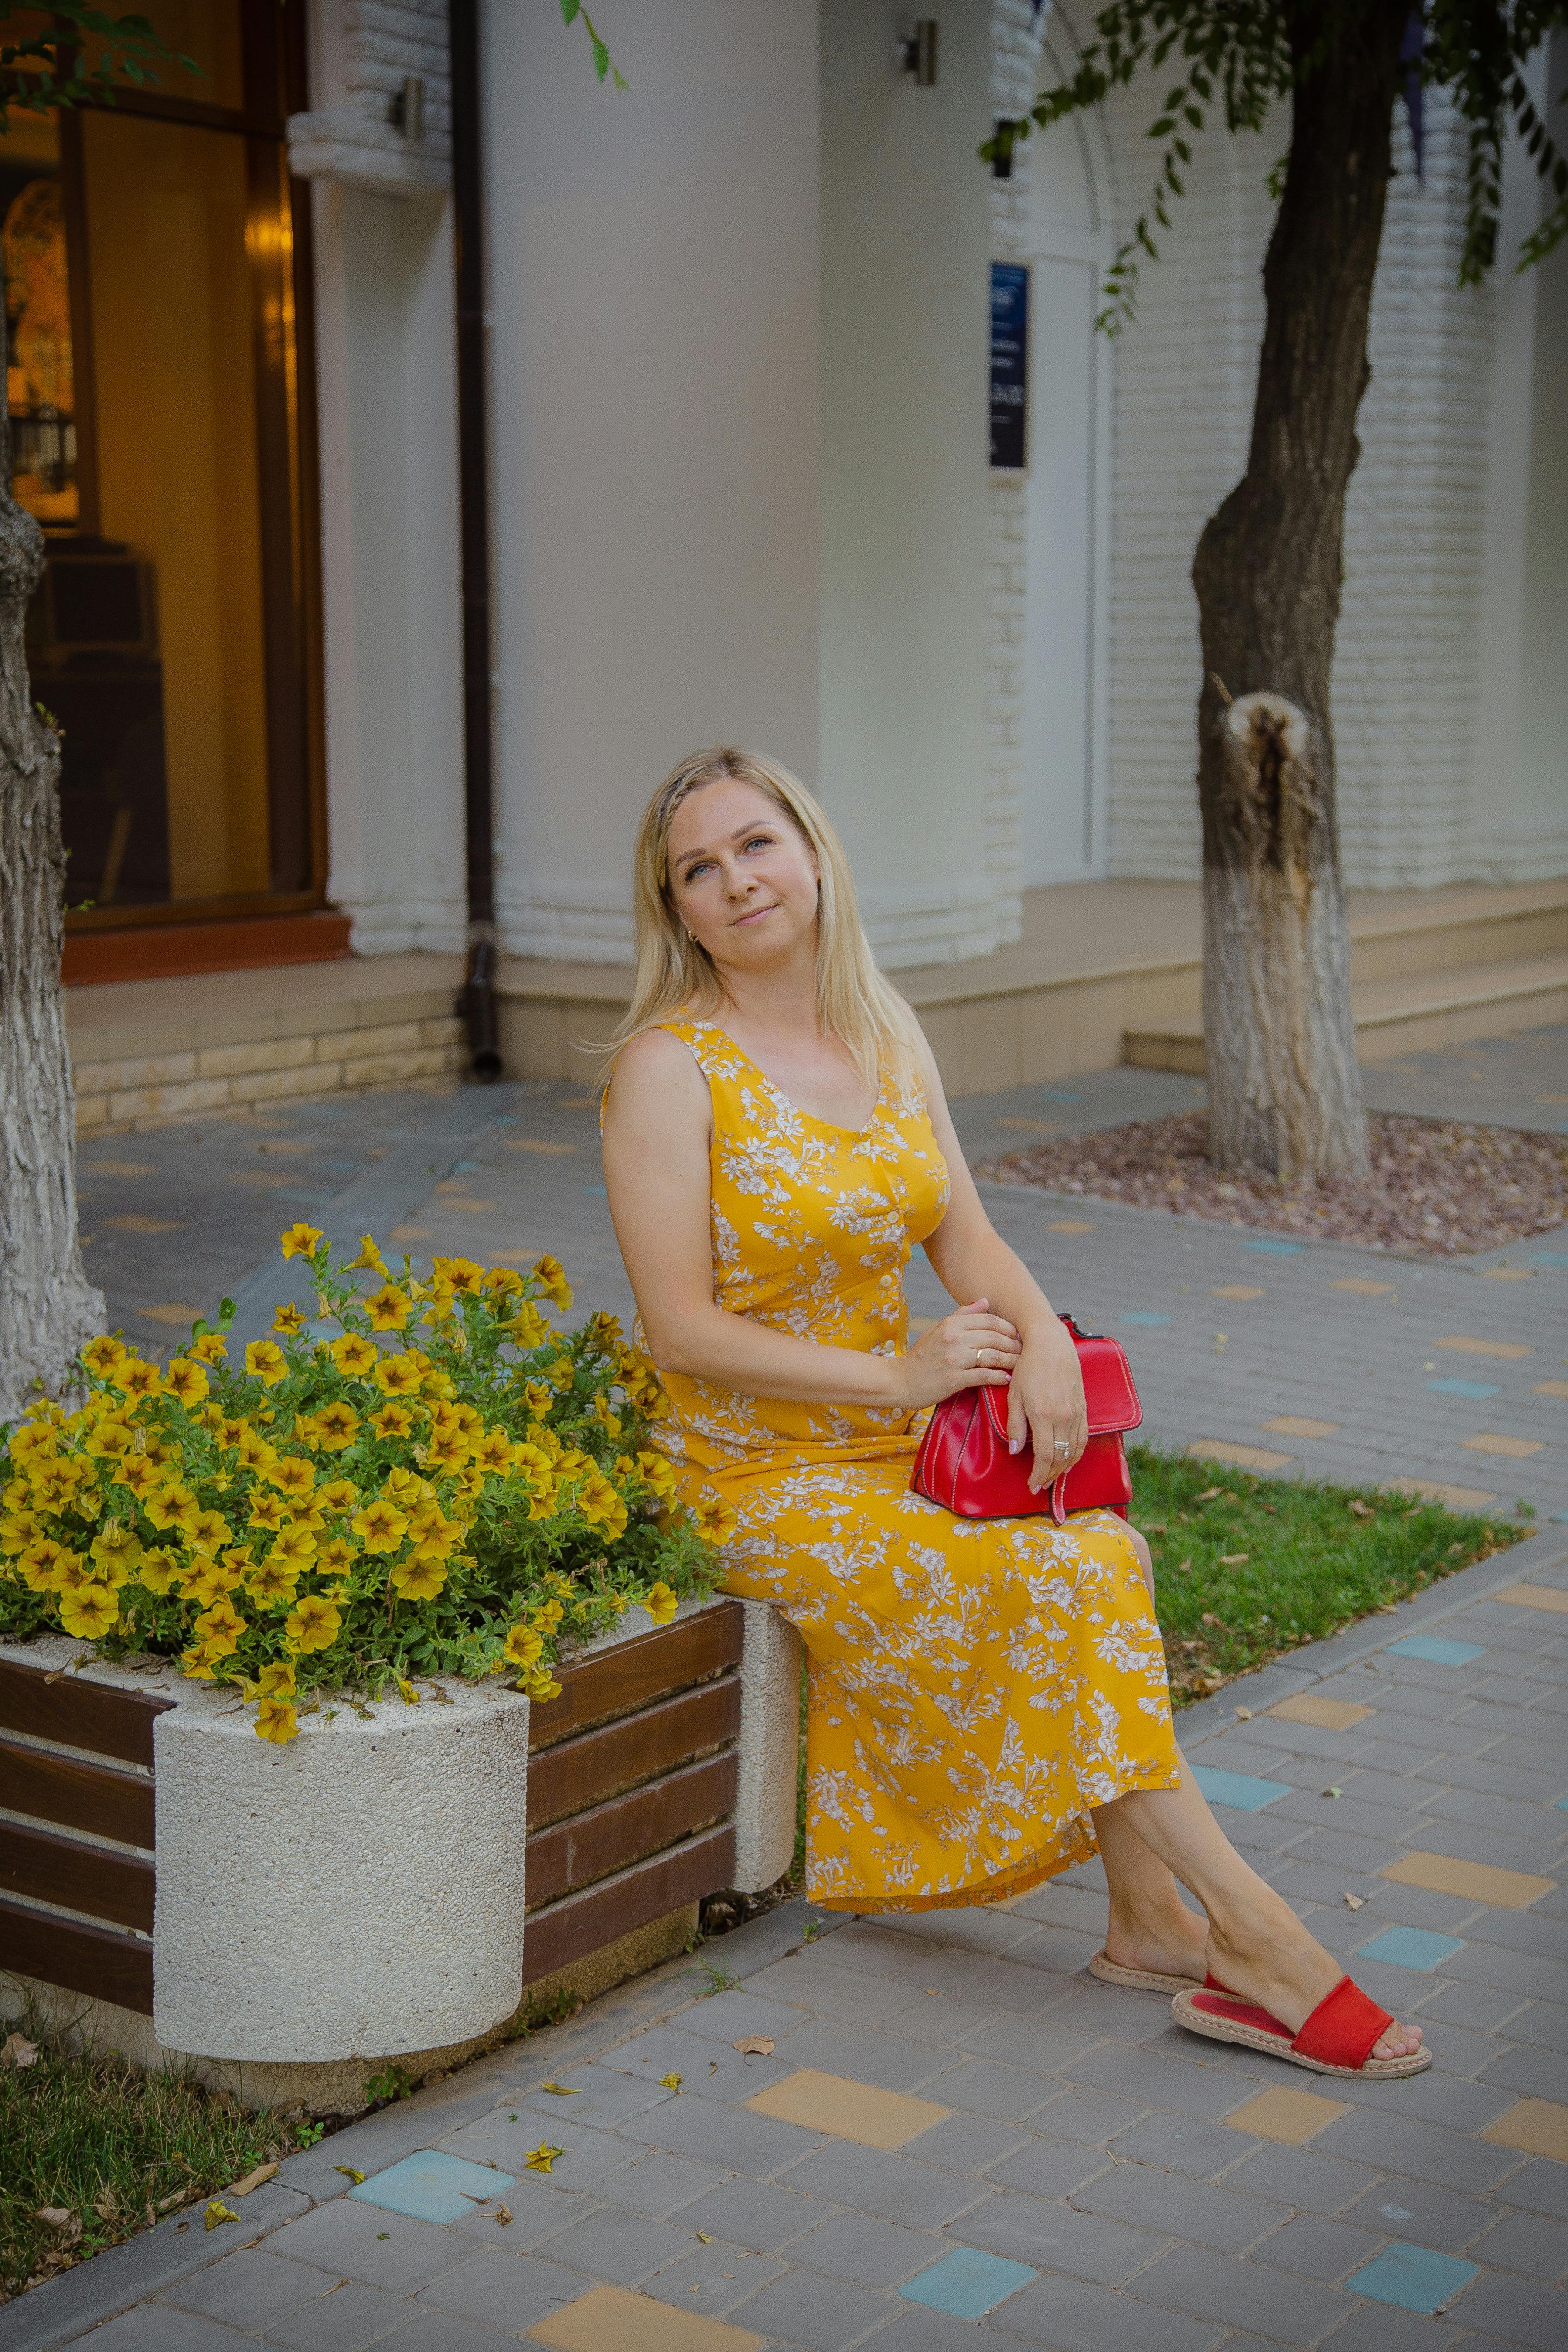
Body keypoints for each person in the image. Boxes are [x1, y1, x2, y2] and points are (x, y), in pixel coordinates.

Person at [600, 745, 1426, 2079]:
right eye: (698, 868)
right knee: (1059, 1572)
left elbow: (965, 1236)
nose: (735, 880)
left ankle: (1155, 1918)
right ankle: (1255, 1936)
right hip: (748, 1470)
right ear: (678, 911)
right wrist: (900, 1376)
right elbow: (679, 1329)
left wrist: (1038, 1337)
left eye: (754, 843)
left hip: (901, 1435)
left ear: (811, 852)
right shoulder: (667, 1068)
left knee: (1099, 1551)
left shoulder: (883, 1026)